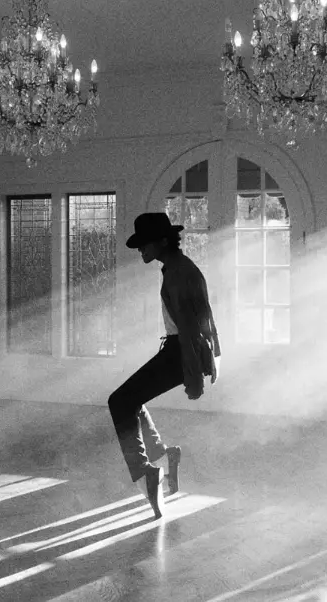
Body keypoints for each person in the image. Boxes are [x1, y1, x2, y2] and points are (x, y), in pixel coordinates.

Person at [108, 212, 221, 519]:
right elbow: (202, 318)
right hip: (180, 349)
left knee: (119, 401)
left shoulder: (178, 272)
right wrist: (211, 356)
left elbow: (192, 325)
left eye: (144, 243)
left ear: (162, 241)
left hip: (180, 351)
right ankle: (162, 455)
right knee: (129, 399)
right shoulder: (176, 267)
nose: (140, 249)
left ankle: (145, 472)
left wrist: (194, 373)